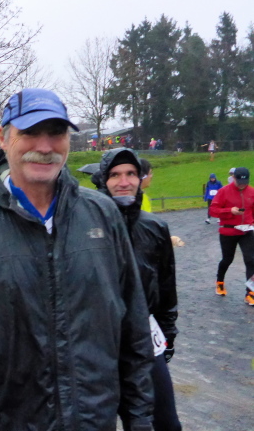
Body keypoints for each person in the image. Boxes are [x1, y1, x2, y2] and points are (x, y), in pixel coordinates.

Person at [0, 88, 154, 431]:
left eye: (56, 132)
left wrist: (140, 418)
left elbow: (133, 327)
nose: (45, 147)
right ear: (3, 138)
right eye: (30, 132)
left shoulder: (103, 217)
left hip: (93, 421)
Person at [97, 148, 181, 431]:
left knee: (165, 423)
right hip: (99, 341)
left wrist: (168, 335)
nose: (124, 182)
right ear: (103, 180)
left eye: (131, 174)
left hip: (144, 338)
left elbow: (166, 288)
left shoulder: (155, 227)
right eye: (115, 175)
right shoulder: (86, 228)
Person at [209, 167, 254, 306]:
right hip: (228, 231)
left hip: (246, 231)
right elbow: (213, 210)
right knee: (227, 259)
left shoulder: (251, 191)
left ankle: (250, 293)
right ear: (233, 178)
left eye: (245, 182)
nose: (242, 185)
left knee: (251, 260)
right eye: (239, 182)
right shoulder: (223, 191)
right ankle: (220, 281)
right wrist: (229, 211)